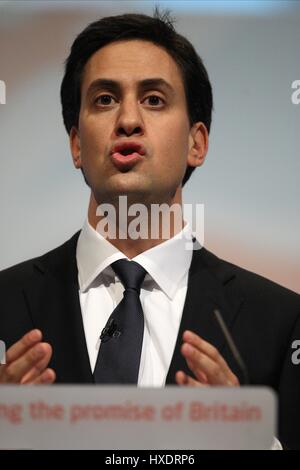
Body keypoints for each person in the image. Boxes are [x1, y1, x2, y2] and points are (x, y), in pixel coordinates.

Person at [0, 9, 299, 449]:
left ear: (197, 143)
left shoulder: (281, 322)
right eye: (104, 99)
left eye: (154, 99)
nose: (128, 121)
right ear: (76, 144)